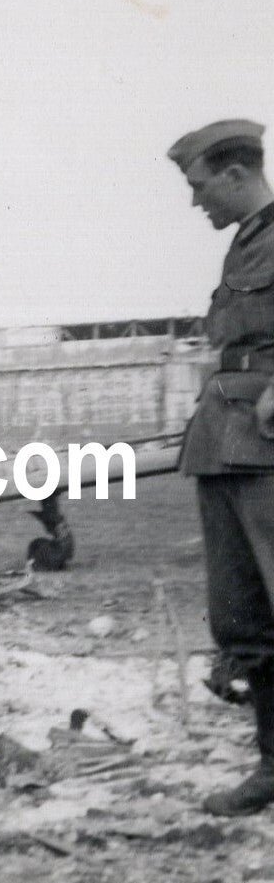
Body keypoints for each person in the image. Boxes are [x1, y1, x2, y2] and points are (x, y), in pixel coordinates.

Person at [167, 119, 274, 815]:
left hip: (265, 439)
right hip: (225, 439)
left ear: (234, 174)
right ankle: (272, 764)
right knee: (243, 614)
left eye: (198, 184)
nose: (194, 200)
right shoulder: (245, 244)